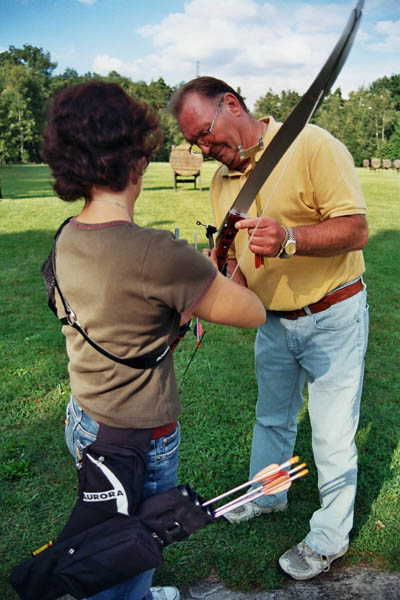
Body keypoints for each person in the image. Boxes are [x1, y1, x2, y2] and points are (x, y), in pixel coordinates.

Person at [41, 80, 266, 600]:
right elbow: (252, 311)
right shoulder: (158, 254)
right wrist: (227, 266)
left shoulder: (66, 236)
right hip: (140, 441)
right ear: (136, 161)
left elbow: (123, 309)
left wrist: (192, 288)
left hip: (85, 420)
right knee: (129, 546)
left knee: (102, 533)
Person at [168, 76, 369, 581]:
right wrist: (212, 299)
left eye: (208, 135)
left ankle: (328, 537)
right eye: (195, 144)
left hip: (334, 314)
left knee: (331, 430)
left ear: (231, 104)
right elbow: (236, 264)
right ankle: (268, 494)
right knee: (273, 417)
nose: (207, 150)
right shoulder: (220, 183)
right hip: (274, 321)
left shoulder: (311, 144)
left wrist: (292, 239)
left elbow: (355, 228)